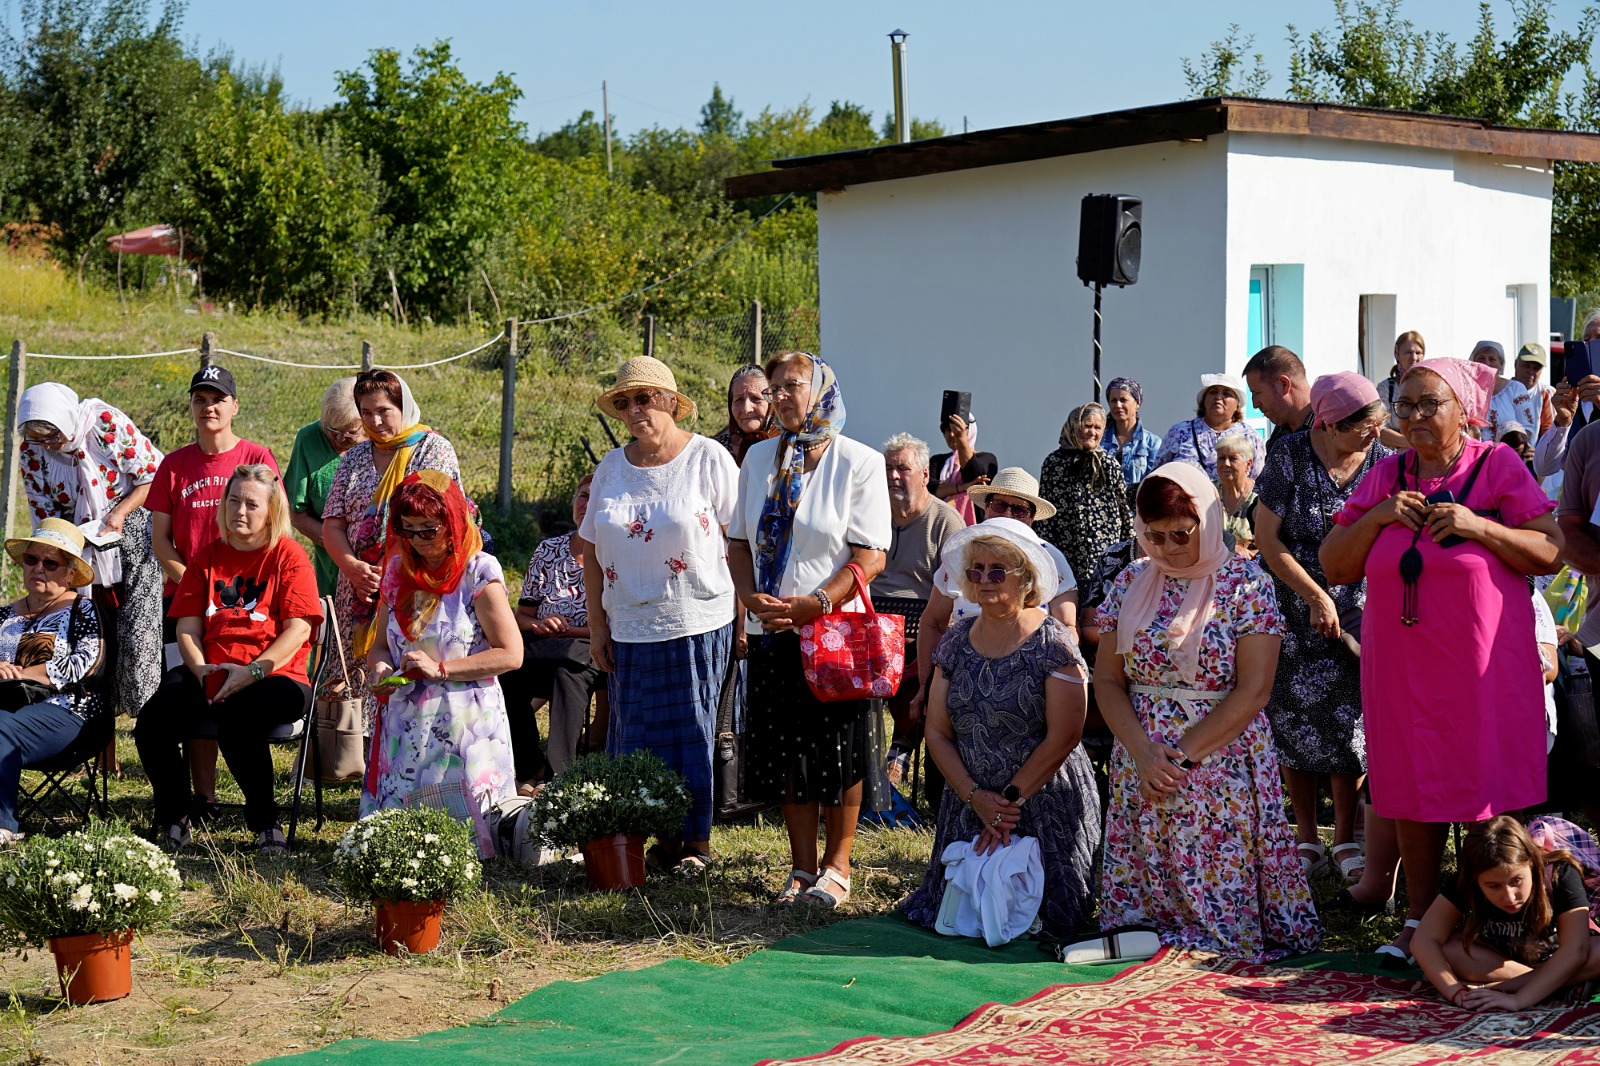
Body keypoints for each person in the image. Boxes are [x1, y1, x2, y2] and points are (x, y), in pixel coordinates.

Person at [1321, 356, 1561, 963]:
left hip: (1482, 669)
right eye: (1406, 405)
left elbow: (1550, 550)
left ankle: (1496, 918)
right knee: (1411, 784)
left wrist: (1480, 528)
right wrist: (1377, 516)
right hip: (1402, 669)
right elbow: (1336, 564)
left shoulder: (1497, 466)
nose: (1417, 416)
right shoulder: (1385, 475)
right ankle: (1419, 918)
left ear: (1465, 409)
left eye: (1431, 404)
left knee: (1484, 786)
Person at [1094, 462, 1319, 960]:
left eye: (1180, 534)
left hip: (1219, 752)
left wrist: (1177, 757)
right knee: (1150, 866)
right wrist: (1142, 753)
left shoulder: (1244, 582)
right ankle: (1146, 934)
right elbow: (1108, 679)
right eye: (1154, 536)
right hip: (1141, 749)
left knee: (1218, 868)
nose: (1168, 549)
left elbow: (1255, 690)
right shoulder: (1132, 580)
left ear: (1209, 520)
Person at [729, 350, 892, 907]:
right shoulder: (756, 462)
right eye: (772, 387)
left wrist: (818, 602)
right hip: (774, 626)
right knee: (785, 750)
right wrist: (750, 597)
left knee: (839, 751)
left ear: (821, 389)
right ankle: (800, 870)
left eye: (790, 385)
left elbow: (872, 555)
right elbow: (737, 542)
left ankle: (837, 866)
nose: (778, 396)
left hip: (834, 632)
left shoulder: (859, 462)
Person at [899, 519, 1101, 936]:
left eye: (996, 570)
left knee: (1048, 921)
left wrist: (1006, 804)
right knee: (954, 918)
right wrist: (975, 798)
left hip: (1043, 803)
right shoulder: (955, 641)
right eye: (975, 570)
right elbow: (937, 731)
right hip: (969, 801)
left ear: (1025, 577)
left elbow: (1065, 736)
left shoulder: (1053, 644)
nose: (983, 579)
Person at [580, 356, 739, 874]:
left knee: (691, 733)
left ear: (671, 401)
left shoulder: (708, 458)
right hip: (627, 625)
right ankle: (647, 841)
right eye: (624, 401)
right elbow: (590, 552)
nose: (634, 410)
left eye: (644, 398)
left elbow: (740, 542)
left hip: (696, 618)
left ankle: (694, 846)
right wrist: (598, 625)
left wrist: (744, 616)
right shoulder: (610, 467)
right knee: (635, 739)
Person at [135, 464, 322, 853]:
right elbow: (187, 629)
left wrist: (253, 672)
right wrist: (201, 670)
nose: (240, 510)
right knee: (152, 721)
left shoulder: (289, 556)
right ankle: (174, 817)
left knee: (238, 721)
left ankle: (266, 824)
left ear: (271, 510)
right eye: (233, 500)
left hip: (276, 675)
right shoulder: (207, 557)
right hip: (213, 671)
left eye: (251, 504)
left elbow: (299, 630)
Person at [1253, 372, 1391, 887]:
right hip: (1293, 606)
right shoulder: (1289, 454)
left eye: (1380, 426)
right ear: (1331, 425)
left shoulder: (1380, 462)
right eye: (1366, 427)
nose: (1375, 435)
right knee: (1293, 722)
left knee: (1350, 725)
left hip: (1360, 609)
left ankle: (1346, 837)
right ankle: (1306, 834)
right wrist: (1313, 595)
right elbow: (1268, 538)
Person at [146, 364, 279, 823]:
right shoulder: (174, 464)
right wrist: (191, 581)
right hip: (182, 597)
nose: (209, 407)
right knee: (190, 689)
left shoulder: (256, 456)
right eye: (200, 399)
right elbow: (159, 538)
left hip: (242, 601)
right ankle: (202, 798)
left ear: (234, 406)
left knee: (233, 696)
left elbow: (273, 526)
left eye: (218, 399)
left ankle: (254, 800)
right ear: (192, 407)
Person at [363, 472, 520, 859]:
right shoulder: (398, 574)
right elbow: (380, 646)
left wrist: (441, 670)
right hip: (406, 725)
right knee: (404, 851)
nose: (418, 540)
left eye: (428, 530)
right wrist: (380, 671)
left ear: (452, 524)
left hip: (465, 723)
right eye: (408, 530)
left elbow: (510, 654)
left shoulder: (478, 572)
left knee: (466, 846)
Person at [322, 369, 461, 734]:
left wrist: (393, 570)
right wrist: (351, 566)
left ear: (404, 406)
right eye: (366, 412)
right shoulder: (353, 459)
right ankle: (348, 751)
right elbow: (333, 523)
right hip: (358, 587)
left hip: (414, 582)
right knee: (350, 672)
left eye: (384, 410)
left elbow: (440, 517)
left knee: (400, 666)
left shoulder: (432, 449)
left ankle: (395, 750)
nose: (375, 421)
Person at [16, 384, 161, 730]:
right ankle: (97, 743)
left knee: (138, 637)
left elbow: (152, 475)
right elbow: (44, 512)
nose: (48, 445)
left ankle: (151, 732)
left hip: (129, 536)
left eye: (52, 437)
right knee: (90, 638)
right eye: (40, 439)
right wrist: (62, 552)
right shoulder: (31, 452)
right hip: (76, 548)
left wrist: (118, 515)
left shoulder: (103, 423)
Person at [912, 469, 1081, 736]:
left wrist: (1058, 683)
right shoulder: (961, 555)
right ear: (986, 508)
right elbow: (933, 622)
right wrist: (925, 685)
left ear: (1033, 518)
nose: (1007, 515)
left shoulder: (1051, 558)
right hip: (960, 673)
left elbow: (1067, 627)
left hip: (1028, 677)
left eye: (1019, 510)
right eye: (999, 505)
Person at [1413, 816, 1600, 1012]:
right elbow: (1424, 939)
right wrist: (1456, 992)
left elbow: (1575, 950)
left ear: (1532, 863)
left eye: (1516, 881)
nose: (1509, 897)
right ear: (1476, 880)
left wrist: (1518, 999)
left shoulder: (1560, 872)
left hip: (1562, 959)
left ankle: (1523, 987)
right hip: (1503, 962)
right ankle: (1560, 986)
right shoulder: (1465, 881)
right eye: (1494, 886)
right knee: (1447, 948)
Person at [0, 520, 104, 846]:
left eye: (51, 563)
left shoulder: (82, 610)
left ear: (70, 574)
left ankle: (4, 826)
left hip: (68, 711)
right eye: (31, 560)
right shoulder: (4, 615)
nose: (38, 569)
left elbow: (87, 665)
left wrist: (24, 673)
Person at [499, 474, 602, 792]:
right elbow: (522, 616)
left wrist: (574, 629)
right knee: (506, 672)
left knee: (566, 673)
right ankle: (529, 765)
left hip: (592, 646)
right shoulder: (548, 550)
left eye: (595, 496)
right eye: (582, 495)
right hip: (543, 645)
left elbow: (618, 624)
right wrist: (539, 625)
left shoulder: (619, 553)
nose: (586, 503)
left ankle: (558, 778)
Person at [878, 433, 963, 792]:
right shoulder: (872, 513)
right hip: (872, 618)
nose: (894, 476)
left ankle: (901, 747)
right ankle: (856, 764)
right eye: (889, 468)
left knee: (915, 666)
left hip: (922, 620)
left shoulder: (946, 521)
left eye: (903, 468)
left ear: (925, 474)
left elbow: (953, 596)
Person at [1036, 403, 1131, 588]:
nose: (1092, 432)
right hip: (1064, 551)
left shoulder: (1109, 464)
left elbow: (1124, 510)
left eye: (1098, 428)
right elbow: (1045, 513)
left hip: (1104, 553)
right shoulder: (1054, 462)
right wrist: (1045, 551)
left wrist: (1129, 549)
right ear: (1074, 425)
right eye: (1087, 426)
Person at [285, 377, 363, 597]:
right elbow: (296, 512)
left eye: (349, 433)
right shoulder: (308, 438)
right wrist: (342, 550)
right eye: (331, 429)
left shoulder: (380, 441)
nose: (338, 438)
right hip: (330, 570)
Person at [1156, 373, 1263, 479]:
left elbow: (1258, 479)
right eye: (1213, 392)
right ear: (1203, 400)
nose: (1218, 397)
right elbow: (1158, 472)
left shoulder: (1250, 436)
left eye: (1226, 394)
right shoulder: (1179, 431)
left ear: (1237, 405)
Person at [929, 411, 996, 526]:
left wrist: (961, 439)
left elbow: (975, 475)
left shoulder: (987, 458)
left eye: (955, 429)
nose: (952, 434)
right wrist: (963, 487)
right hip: (940, 524)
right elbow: (931, 489)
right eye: (948, 430)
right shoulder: (938, 461)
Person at [1244, 345, 1313, 454]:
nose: (1255, 404)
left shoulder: (1334, 427)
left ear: (1283, 384)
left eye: (1257, 392)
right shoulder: (1280, 432)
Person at [1101, 377, 1162, 493]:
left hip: (1138, 509)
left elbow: (1155, 483)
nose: (1118, 405)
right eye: (1113, 400)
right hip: (1104, 509)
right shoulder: (1099, 440)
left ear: (1137, 403)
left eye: (1123, 400)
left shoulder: (1152, 443)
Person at [1472, 341, 1540, 445]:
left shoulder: (1515, 389)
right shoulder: (1466, 390)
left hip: (1509, 453)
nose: (1486, 363)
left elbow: (1528, 428)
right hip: (1476, 455)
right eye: (1481, 358)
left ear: (1501, 365)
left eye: (1492, 359)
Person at [710, 364, 778, 467]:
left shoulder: (788, 447)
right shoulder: (716, 452)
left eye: (756, 398)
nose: (746, 409)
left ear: (771, 403)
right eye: (739, 400)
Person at [1213, 434, 1259, 556]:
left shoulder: (1261, 497)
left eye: (1233, 458)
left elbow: (1273, 541)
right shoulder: (1208, 492)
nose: (1226, 464)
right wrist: (1233, 548)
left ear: (1248, 464)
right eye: (1221, 458)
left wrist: (1253, 554)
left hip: (1252, 568)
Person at [1380, 331, 1427, 450]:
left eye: (1418, 353)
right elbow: (1380, 430)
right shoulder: (1386, 388)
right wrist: (1412, 444)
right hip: (1393, 456)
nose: (1414, 358)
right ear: (1397, 355)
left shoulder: (1429, 388)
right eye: (1408, 352)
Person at [1512, 343, 1555, 438]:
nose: (1531, 372)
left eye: (1536, 368)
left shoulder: (1547, 393)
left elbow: (1550, 434)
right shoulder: (1502, 391)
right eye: (1526, 366)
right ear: (1516, 364)